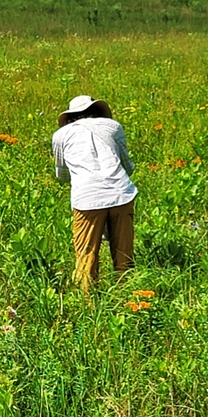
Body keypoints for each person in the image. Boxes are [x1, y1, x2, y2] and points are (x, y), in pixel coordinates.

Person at [52, 95, 137, 293]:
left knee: (86, 256)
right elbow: (128, 166)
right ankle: (128, 297)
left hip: (87, 198)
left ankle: (87, 305)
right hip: (121, 193)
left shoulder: (61, 136)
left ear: (70, 116)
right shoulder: (114, 127)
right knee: (124, 255)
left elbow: (62, 174)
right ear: (97, 111)